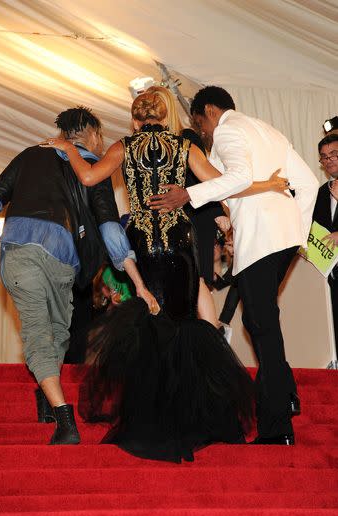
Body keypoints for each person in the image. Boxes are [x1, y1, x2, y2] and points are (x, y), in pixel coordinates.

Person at [41, 91, 255, 463]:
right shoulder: (184, 145)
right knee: (185, 327)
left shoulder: (124, 146)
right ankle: (194, 420)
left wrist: (68, 148)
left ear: (135, 120)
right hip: (179, 245)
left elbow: (89, 177)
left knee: (152, 332)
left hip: (144, 244)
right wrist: (225, 217)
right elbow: (225, 186)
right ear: (167, 115)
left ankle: (153, 424)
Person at [0, 106, 158, 446]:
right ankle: (65, 418)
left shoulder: (29, 156)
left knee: (54, 333)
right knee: (46, 333)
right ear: (94, 134)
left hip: (22, 251)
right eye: (102, 137)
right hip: (62, 256)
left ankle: (46, 399)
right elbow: (112, 232)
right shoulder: (95, 171)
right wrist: (139, 283)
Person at [148, 86, 319, 445]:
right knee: (265, 320)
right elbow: (309, 184)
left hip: (261, 240)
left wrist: (188, 195)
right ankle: (285, 392)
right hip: (284, 237)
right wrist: (295, 232)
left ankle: (277, 426)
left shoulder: (227, 130)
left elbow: (240, 177)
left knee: (261, 326)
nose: (204, 133)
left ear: (210, 111)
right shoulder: (268, 129)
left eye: (200, 123)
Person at [146, 85, 225, 326]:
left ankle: (213, 339)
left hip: (193, 218)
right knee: (172, 284)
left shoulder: (187, 138)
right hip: (163, 223)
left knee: (197, 279)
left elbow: (208, 179)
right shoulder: (143, 147)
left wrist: (221, 212)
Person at [313, 133, 338, 354]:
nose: (329, 160)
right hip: (329, 279)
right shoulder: (319, 193)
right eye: (324, 157)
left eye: (334, 154)